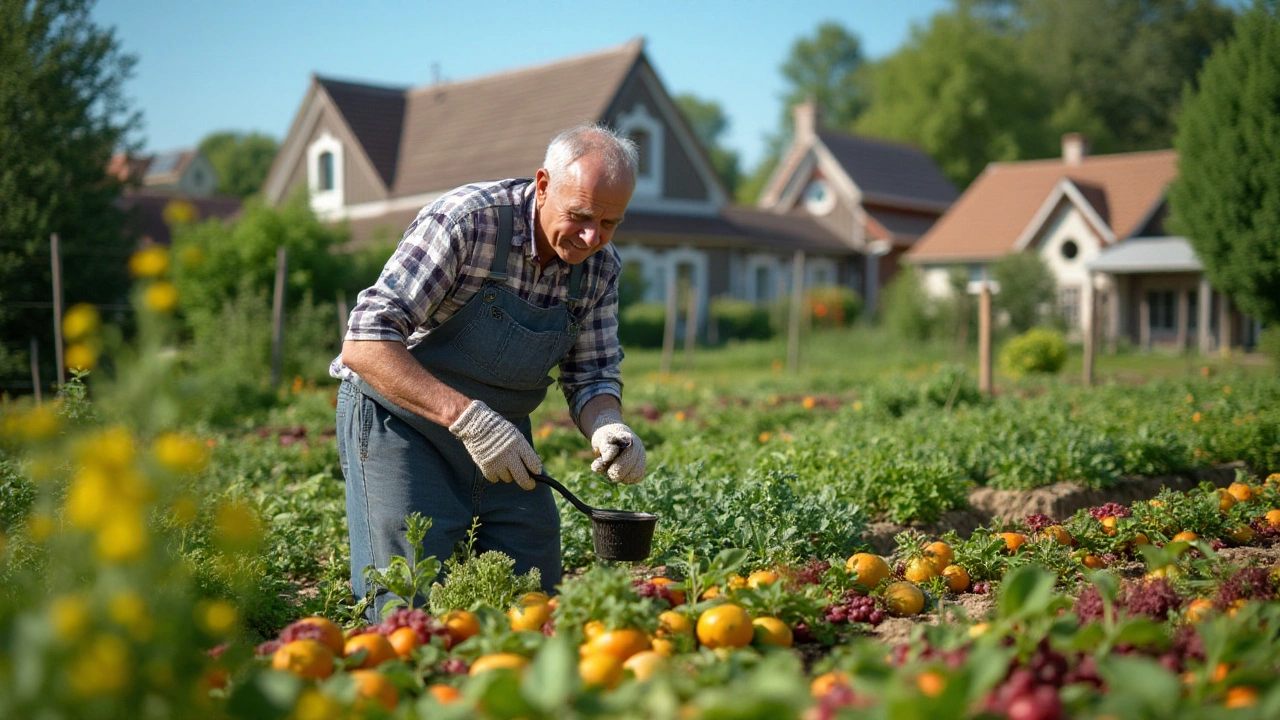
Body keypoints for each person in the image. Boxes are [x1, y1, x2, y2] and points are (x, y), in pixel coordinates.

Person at [331, 124, 647, 618]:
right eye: (581, 216)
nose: (592, 237)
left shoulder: (600, 267)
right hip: (401, 424)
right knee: (406, 600)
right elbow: (365, 342)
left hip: (500, 437)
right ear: (543, 185)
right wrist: (467, 418)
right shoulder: (468, 222)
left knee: (534, 589)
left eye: (610, 223)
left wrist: (609, 424)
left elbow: (592, 374)